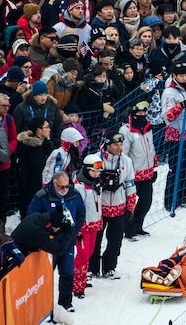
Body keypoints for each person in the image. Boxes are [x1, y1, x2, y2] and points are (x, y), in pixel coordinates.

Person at [26, 171, 85, 312]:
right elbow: (32, 217)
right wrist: (47, 230)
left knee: (67, 272)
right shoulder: (42, 196)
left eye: (67, 186)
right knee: (45, 274)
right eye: (61, 187)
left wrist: (74, 231)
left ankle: (65, 303)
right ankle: (42, 305)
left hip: (68, 241)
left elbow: (81, 213)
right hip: (49, 243)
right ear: (54, 184)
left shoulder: (75, 194)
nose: (65, 189)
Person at [90, 133, 136, 280]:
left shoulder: (126, 161)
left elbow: (130, 183)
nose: (119, 148)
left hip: (118, 205)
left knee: (115, 239)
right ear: (107, 145)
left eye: (121, 144)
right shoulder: (96, 159)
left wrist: (130, 206)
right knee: (95, 239)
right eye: (116, 145)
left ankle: (110, 267)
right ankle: (92, 268)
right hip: (99, 206)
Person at [162, 62, 186, 211]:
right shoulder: (169, 92)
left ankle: (183, 195)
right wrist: (180, 106)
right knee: (177, 168)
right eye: (181, 75)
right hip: (176, 137)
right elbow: (167, 116)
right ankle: (171, 200)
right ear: (175, 76)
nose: (184, 78)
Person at [120, 100, 157, 239]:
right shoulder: (126, 130)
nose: (142, 115)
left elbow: (151, 148)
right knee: (130, 203)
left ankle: (138, 225)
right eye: (139, 113)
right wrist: (126, 173)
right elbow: (123, 154)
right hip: (133, 174)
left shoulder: (148, 128)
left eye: (144, 112)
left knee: (146, 201)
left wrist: (153, 168)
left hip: (147, 172)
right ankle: (129, 229)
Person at [72, 155, 103, 299]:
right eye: (93, 172)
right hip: (83, 227)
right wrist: (76, 228)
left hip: (94, 224)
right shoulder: (79, 186)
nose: (96, 175)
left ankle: (82, 280)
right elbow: (76, 208)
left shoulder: (95, 183)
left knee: (89, 253)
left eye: (98, 172)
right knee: (82, 256)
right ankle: (76, 286)